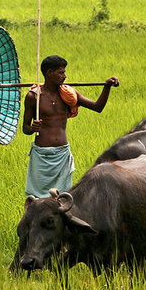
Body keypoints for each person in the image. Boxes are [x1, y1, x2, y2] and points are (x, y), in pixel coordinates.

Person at [22, 55, 119, 198]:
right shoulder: (34, 97)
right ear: (49, 73)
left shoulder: (68, 95)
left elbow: (97, 107)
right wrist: (32, 128)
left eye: (64, 72)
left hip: (62, 154)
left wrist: (107, 87)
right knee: (37, 199)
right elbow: (25, 128)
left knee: (62, 199)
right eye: (61, 72)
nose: (65, 76)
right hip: (41, 156)